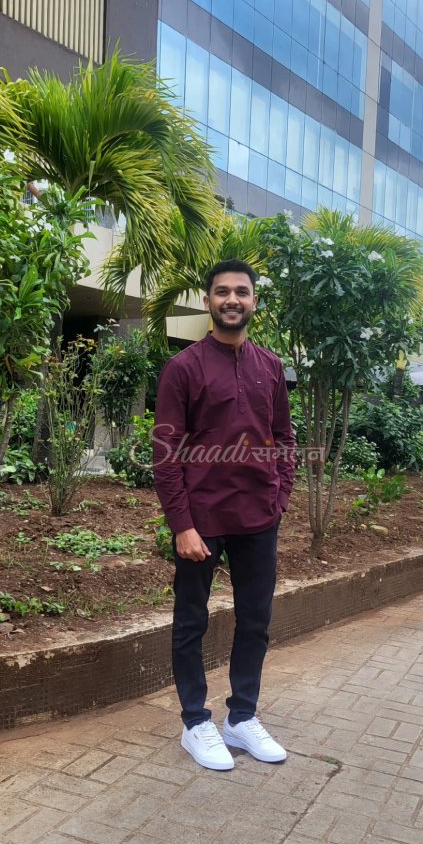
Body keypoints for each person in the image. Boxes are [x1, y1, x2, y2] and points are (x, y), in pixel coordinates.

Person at [153, 258, 296, 771]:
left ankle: (242, 717)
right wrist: (182, 525)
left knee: (256, 621)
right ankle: (196, 722)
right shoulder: (183, 368)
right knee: (191, 622)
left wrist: (279, 498)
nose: (232, 299)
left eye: (241, 291)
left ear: (254, 300)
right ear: (207, 300)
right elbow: (166, 452)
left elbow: (283, 437)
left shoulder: (270, 367)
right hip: (202, 521)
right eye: (222, 291)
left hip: (259, 518)